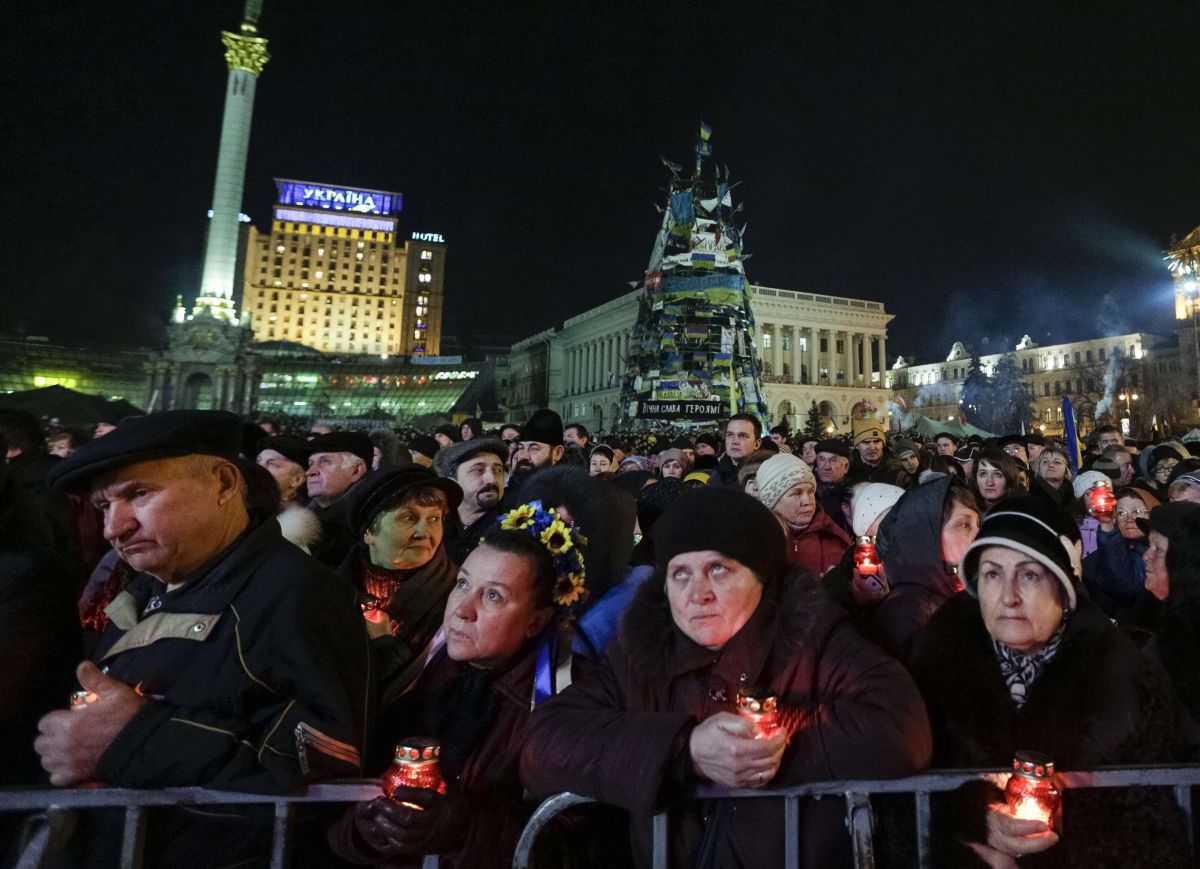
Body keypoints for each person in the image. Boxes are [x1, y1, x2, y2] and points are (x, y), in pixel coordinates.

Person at [521, 487, 932, 868]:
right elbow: (546, 743)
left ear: (761, 576)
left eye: (719, 569)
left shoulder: (816, 637)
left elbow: (899, 726)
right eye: (680, 573)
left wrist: (770, 740)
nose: (697, 593)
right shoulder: (640, 653)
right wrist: (687, 750)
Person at [37, 411, 370, 865]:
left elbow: (321, 770)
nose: (115, 527)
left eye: (138, 494)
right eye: (103, 507)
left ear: (224, 483)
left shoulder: (297, 596)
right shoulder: (149, 586)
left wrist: (132, 739)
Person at [912, 499, 1191, 868]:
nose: (1008, 596)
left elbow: (1150, 819)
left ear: (1062, 589)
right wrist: (974, 820)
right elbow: (906, 800)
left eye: (1029, 575)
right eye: (993, 574)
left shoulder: (1124, 675)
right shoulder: (937, 665)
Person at [330, 505, 590, 869]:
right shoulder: (423, 679)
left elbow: (575, 845)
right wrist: (366, 832)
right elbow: (347, 809)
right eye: (463, 584)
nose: (462, 610)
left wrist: (465, 830)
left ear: (536, 621)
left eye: (493, 595)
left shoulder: (569, 703)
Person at [339, 467, 462, 690]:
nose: (424, 532)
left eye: (434, 518)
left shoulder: (459, 597)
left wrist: (386, 649)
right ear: (369, 532)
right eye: (408, 517)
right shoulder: (331, 590)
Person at [868, 477, 981, 662]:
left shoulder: (944, 592)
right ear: (928, 534)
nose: (979, 535)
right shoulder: (908, 613)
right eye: (964, 525)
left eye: (978, 524)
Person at [755, 452, 852, 577]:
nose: (808, 501)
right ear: (773, 501)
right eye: (797, 493)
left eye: (811, 491)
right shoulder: (754, 541)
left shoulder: (834, 536)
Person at [1085, 486, 1160, 621]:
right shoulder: (1096, 557)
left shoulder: (1160, 554)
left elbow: (1126, 587)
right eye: (1121, 513)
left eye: (1137, 511)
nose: (1129, 519)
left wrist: (1107, 528)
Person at [436, 437, 509, 565]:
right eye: (478, 470)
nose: (491, 479)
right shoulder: (436, 522)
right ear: (452, 482)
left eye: (498, 470)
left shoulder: (513, 528)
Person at [305, 430, 374, 566]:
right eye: (310, 463)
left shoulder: (369, 527)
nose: (310, 471)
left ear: (356, 471)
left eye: (325, 462)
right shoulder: (304, 516)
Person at [509, 409, 565, 496]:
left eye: (534, 449)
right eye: (521, 447)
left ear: (558, 453)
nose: (523, 456)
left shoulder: (570, 499)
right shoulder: (506, 495)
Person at [707, 413, 762, 487]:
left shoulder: (767, 476)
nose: (734, 441)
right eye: (730, 435)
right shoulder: (712, 476)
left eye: (743, 436)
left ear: (757, 444)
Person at [813, 438, 853, 534]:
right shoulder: (807, 493)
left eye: (833, 460)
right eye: (821, 459)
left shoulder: (852, 497)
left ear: (846, 467)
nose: (826, 466)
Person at [970, 447, 1024, 512]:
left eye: (997, 474)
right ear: (976, 478)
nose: (989, 482)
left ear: (1009, 478)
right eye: (983, 474)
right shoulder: (967, 507)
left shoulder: (1021, 512)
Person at [849, 418, 901, 485]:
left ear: (883, 444)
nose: (872, 448)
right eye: (866, 442)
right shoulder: (847, 472)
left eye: (876, 441)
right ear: (856, 446)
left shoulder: (898, 472)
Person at [1030, 444, 1074, 510]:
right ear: (1039, 468)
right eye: (1045, 462)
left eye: (1057, 462)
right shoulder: (1030, 495)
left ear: (1066, 470)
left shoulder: (1072, 498)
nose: (1051, 465)